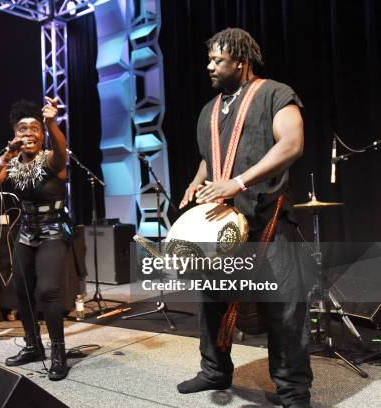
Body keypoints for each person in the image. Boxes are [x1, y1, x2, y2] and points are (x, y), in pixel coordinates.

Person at [177, 28, 313, 408]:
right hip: (222, 224)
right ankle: (214, 370)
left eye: (217, 60)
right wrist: (196, 181)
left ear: (241, 60)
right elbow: (211, 156)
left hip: (267, 219)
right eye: (209, 60)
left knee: (284, 309)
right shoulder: (209, 110)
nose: (209, 66)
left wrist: (236, 182)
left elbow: (292, 143)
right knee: (211, 302)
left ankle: (293, 391)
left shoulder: (275, 93)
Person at [0, 97, 71, 381]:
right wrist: (6, 155)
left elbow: (61, 153)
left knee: (47, 291)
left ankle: (58, 351)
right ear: (14, 135)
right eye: (22, 129)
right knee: (21, 291)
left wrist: (52, 122)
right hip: (27, 231)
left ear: (41, 135)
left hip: (53, 231)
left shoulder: (52, 159)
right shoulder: (13, 163)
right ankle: (33, 345)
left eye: (34, 128)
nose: (29, 133)